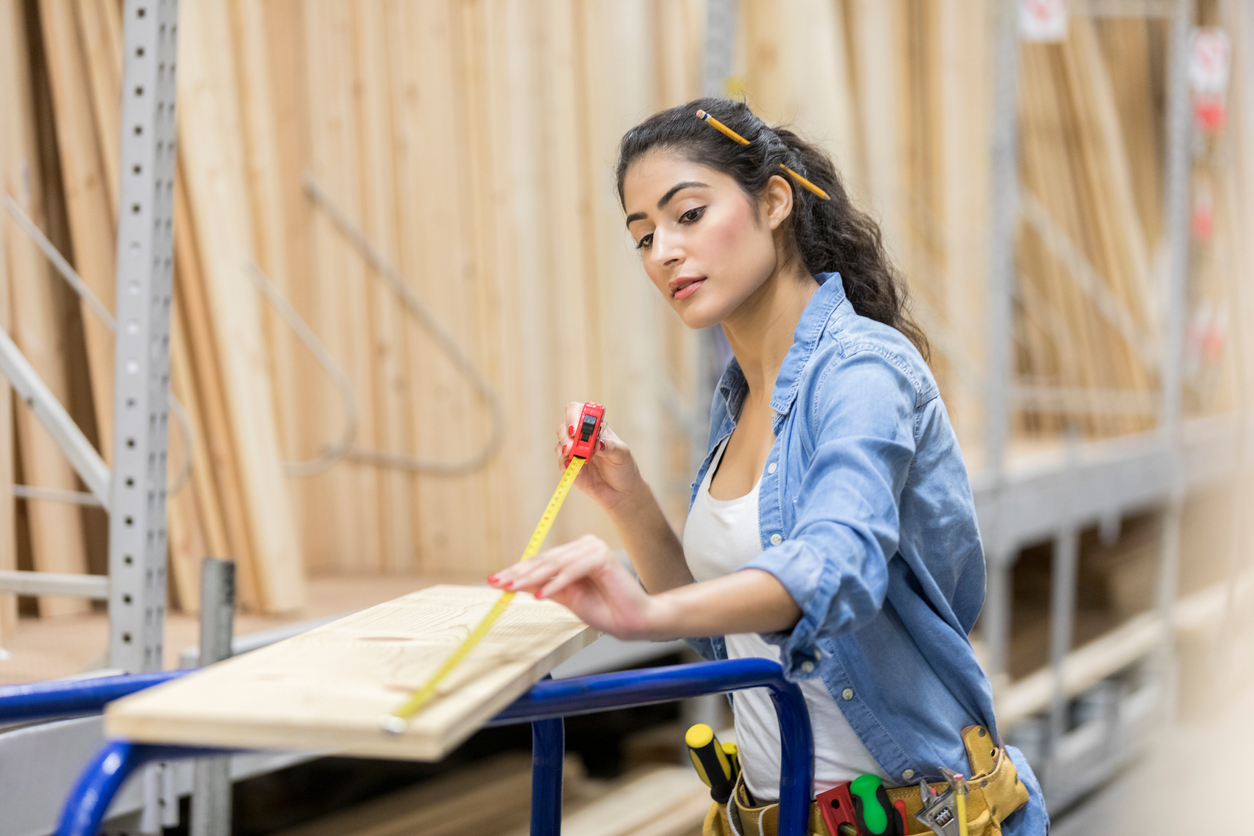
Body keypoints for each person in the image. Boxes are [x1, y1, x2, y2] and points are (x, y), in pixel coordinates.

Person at [487, 98, 1048, 836]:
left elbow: (836, 564)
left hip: (914, 815)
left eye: (687, 215)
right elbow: (728, 628)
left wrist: (644, 615)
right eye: (643, 236)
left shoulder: (862, 373)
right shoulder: (741, 400)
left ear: (774, 201)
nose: (663, 252)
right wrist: (630, 502)